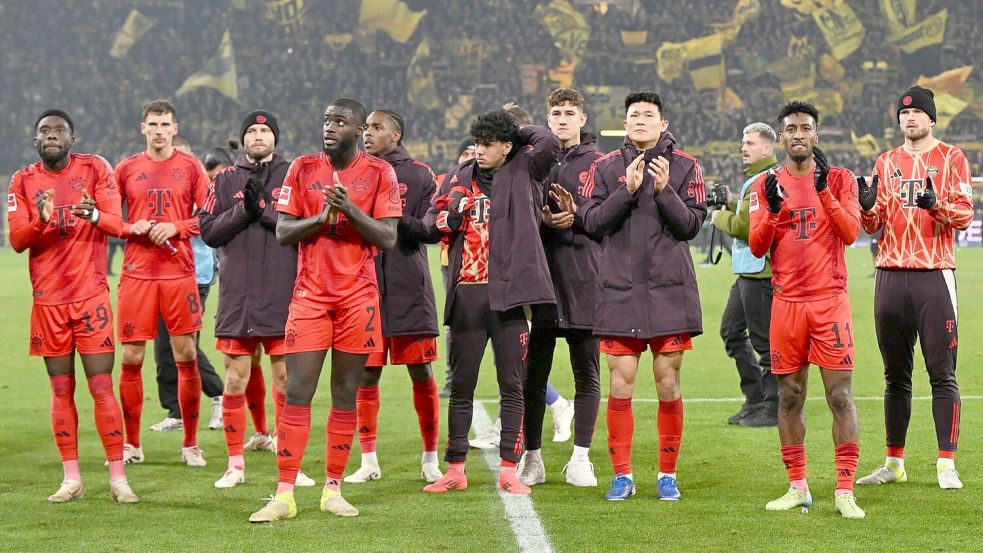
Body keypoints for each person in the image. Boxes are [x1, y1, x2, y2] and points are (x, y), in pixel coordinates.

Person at [249, 98, 401, 522]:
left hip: (358, 298)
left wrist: (349, 209)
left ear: (358, 131)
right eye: (326, 120)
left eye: (340, 122)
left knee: (344, 395)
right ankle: (283, 494)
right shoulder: (302, 168)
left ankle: (332, 489)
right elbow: (283, 231)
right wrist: (323, 215)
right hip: (310, 297)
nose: (330, 127)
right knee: (297, 393)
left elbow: (387, 238)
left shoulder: (379, 172)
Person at [421, 109, 559, 496]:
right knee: (461, 386)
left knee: (511, 386)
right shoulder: (459, 176)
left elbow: (547, 140)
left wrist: (514, 127)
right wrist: (449, 216)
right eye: (476, 143)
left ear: (508, 146)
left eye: (487, 144)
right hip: (466, 291)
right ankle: (455, 468)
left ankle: (509, 470)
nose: (478, 151)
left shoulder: (525, 170)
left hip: (510, 294)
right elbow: (433, 221)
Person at [581, 91, 706, 502]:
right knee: (620, 385)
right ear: (625, 122)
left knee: (668, 384)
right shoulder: (605, 167)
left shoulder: (686, 166)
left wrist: (664, 189)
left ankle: (667, 475)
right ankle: (623, 476)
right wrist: (627, 190)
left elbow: (690, 226)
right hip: (619, 290)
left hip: (669, 291)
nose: (639, 120)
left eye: (648, 115)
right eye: (633, 114)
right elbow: (592, 222)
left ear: (663, 124)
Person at [8, 109, 138, 503]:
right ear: (35, 141)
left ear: (72, 138)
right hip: (48, 302)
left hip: (90, 298)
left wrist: (94, 214)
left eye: (59, 130)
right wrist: (42, 221)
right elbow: (16, 240)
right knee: (61, 389)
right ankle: (72, 478)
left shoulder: (95, 168)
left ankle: (118, 477)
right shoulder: (23, 180)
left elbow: (118, 225)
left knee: (101, 387)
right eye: (44, 130)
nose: (51, 135)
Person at [748, 101, 864, 519]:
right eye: (791, 128)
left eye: (806, 128)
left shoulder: (841, 179)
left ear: (817, 135)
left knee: (840, 396)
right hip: (787, 304)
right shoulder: (766, 185)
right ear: (781, 136)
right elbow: (758, 247)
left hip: (830, 302)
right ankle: (798, 486)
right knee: (790, 395)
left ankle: (845, 489)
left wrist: (822, 191)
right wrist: (775, 214)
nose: (798, 134)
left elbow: (852, 232)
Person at [856, 86, 974, 490]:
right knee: (895, 375)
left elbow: (963, 213)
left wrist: (933, 204)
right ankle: (894, 463)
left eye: (917, 114)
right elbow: (872, 225)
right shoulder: (886, 161)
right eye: (904, 114)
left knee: (942, 374)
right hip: (889, 274)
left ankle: (946, 465)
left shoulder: (952, 158)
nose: (909, 119)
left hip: (933, 274)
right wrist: (866, 205)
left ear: (931, 118)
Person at [199, 110, 316, 489]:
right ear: (243, 138)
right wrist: (242, 210)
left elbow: (303, 230)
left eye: (265, 130)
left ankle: (291, 464)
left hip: (283, 293)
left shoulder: (293, 175)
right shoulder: (225, 179)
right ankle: (234, 465)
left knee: (285, 380)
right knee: (235, 379)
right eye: (251, 130)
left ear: (275, 137)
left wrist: (262, 211)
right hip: (239, 296)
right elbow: (209, 232)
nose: (258, 135)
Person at [343, 109, 443, 484]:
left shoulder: (418, 174)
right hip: (363, 289)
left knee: (421, 370)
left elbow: (431, 231)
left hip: (408, 288)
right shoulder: (352, 172)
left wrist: (393, 215)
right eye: (365, 127)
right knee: (366, 374)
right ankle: (368, 461)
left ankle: (430, 458)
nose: (367, 133)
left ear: (396, 134)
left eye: (376, 127)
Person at [113, 99, 209, 466]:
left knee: (185, 356)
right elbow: (108, 217)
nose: (158, 130)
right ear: (143, 128)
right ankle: (132, 444)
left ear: (175, 128)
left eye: (164, 124)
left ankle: (190, 443)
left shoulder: (190, 167)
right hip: (137, 274)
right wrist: (127, 227)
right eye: (152, 124)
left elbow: (210, 217)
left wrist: (178, 226)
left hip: (178, 273)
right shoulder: (126, 168)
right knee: (132, 357)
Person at [519, 88, 603, 488]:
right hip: (540, 282)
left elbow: (609, 215)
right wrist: (541, 218)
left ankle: (581, 459)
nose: (564, 119)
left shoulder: (601, 164)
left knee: (587, 372)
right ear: (547, 119)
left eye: (571, 112)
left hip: (586, 279)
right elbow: (517, 212)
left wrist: (578, 216)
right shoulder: (533, 162)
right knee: (534, 374)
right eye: (557, 113)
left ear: (583, 119)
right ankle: (532, 457)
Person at [150, 135, 223, 434]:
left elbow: (209, 224)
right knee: (162, 344)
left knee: (185, 344)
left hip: (196, 274)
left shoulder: (201, 189)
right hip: (161, 274)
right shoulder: (161, 189)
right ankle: (175, 410)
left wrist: (176, 225)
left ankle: (219, 394)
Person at [710, 122, 780, 428]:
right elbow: (749, 215)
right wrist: (733, 204)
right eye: (743, 142)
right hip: (747, 273)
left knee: (764, 344)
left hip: (761, 273)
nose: (743, 147)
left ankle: (773, 407)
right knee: (731, 332)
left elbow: (747, 228)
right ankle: (755, 399)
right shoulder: (756, 179)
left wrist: (719, 216)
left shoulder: (766, 180)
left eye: (750, 143)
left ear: (767, 148)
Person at [436, 138, 476, 399]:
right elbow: (433, 218)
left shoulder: (491, 181)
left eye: (475, 152)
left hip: (485, 266)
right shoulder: (446, 181)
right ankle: (453, 379)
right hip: (451, 264)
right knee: (456, 325)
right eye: (466, 153)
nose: (471, 156)